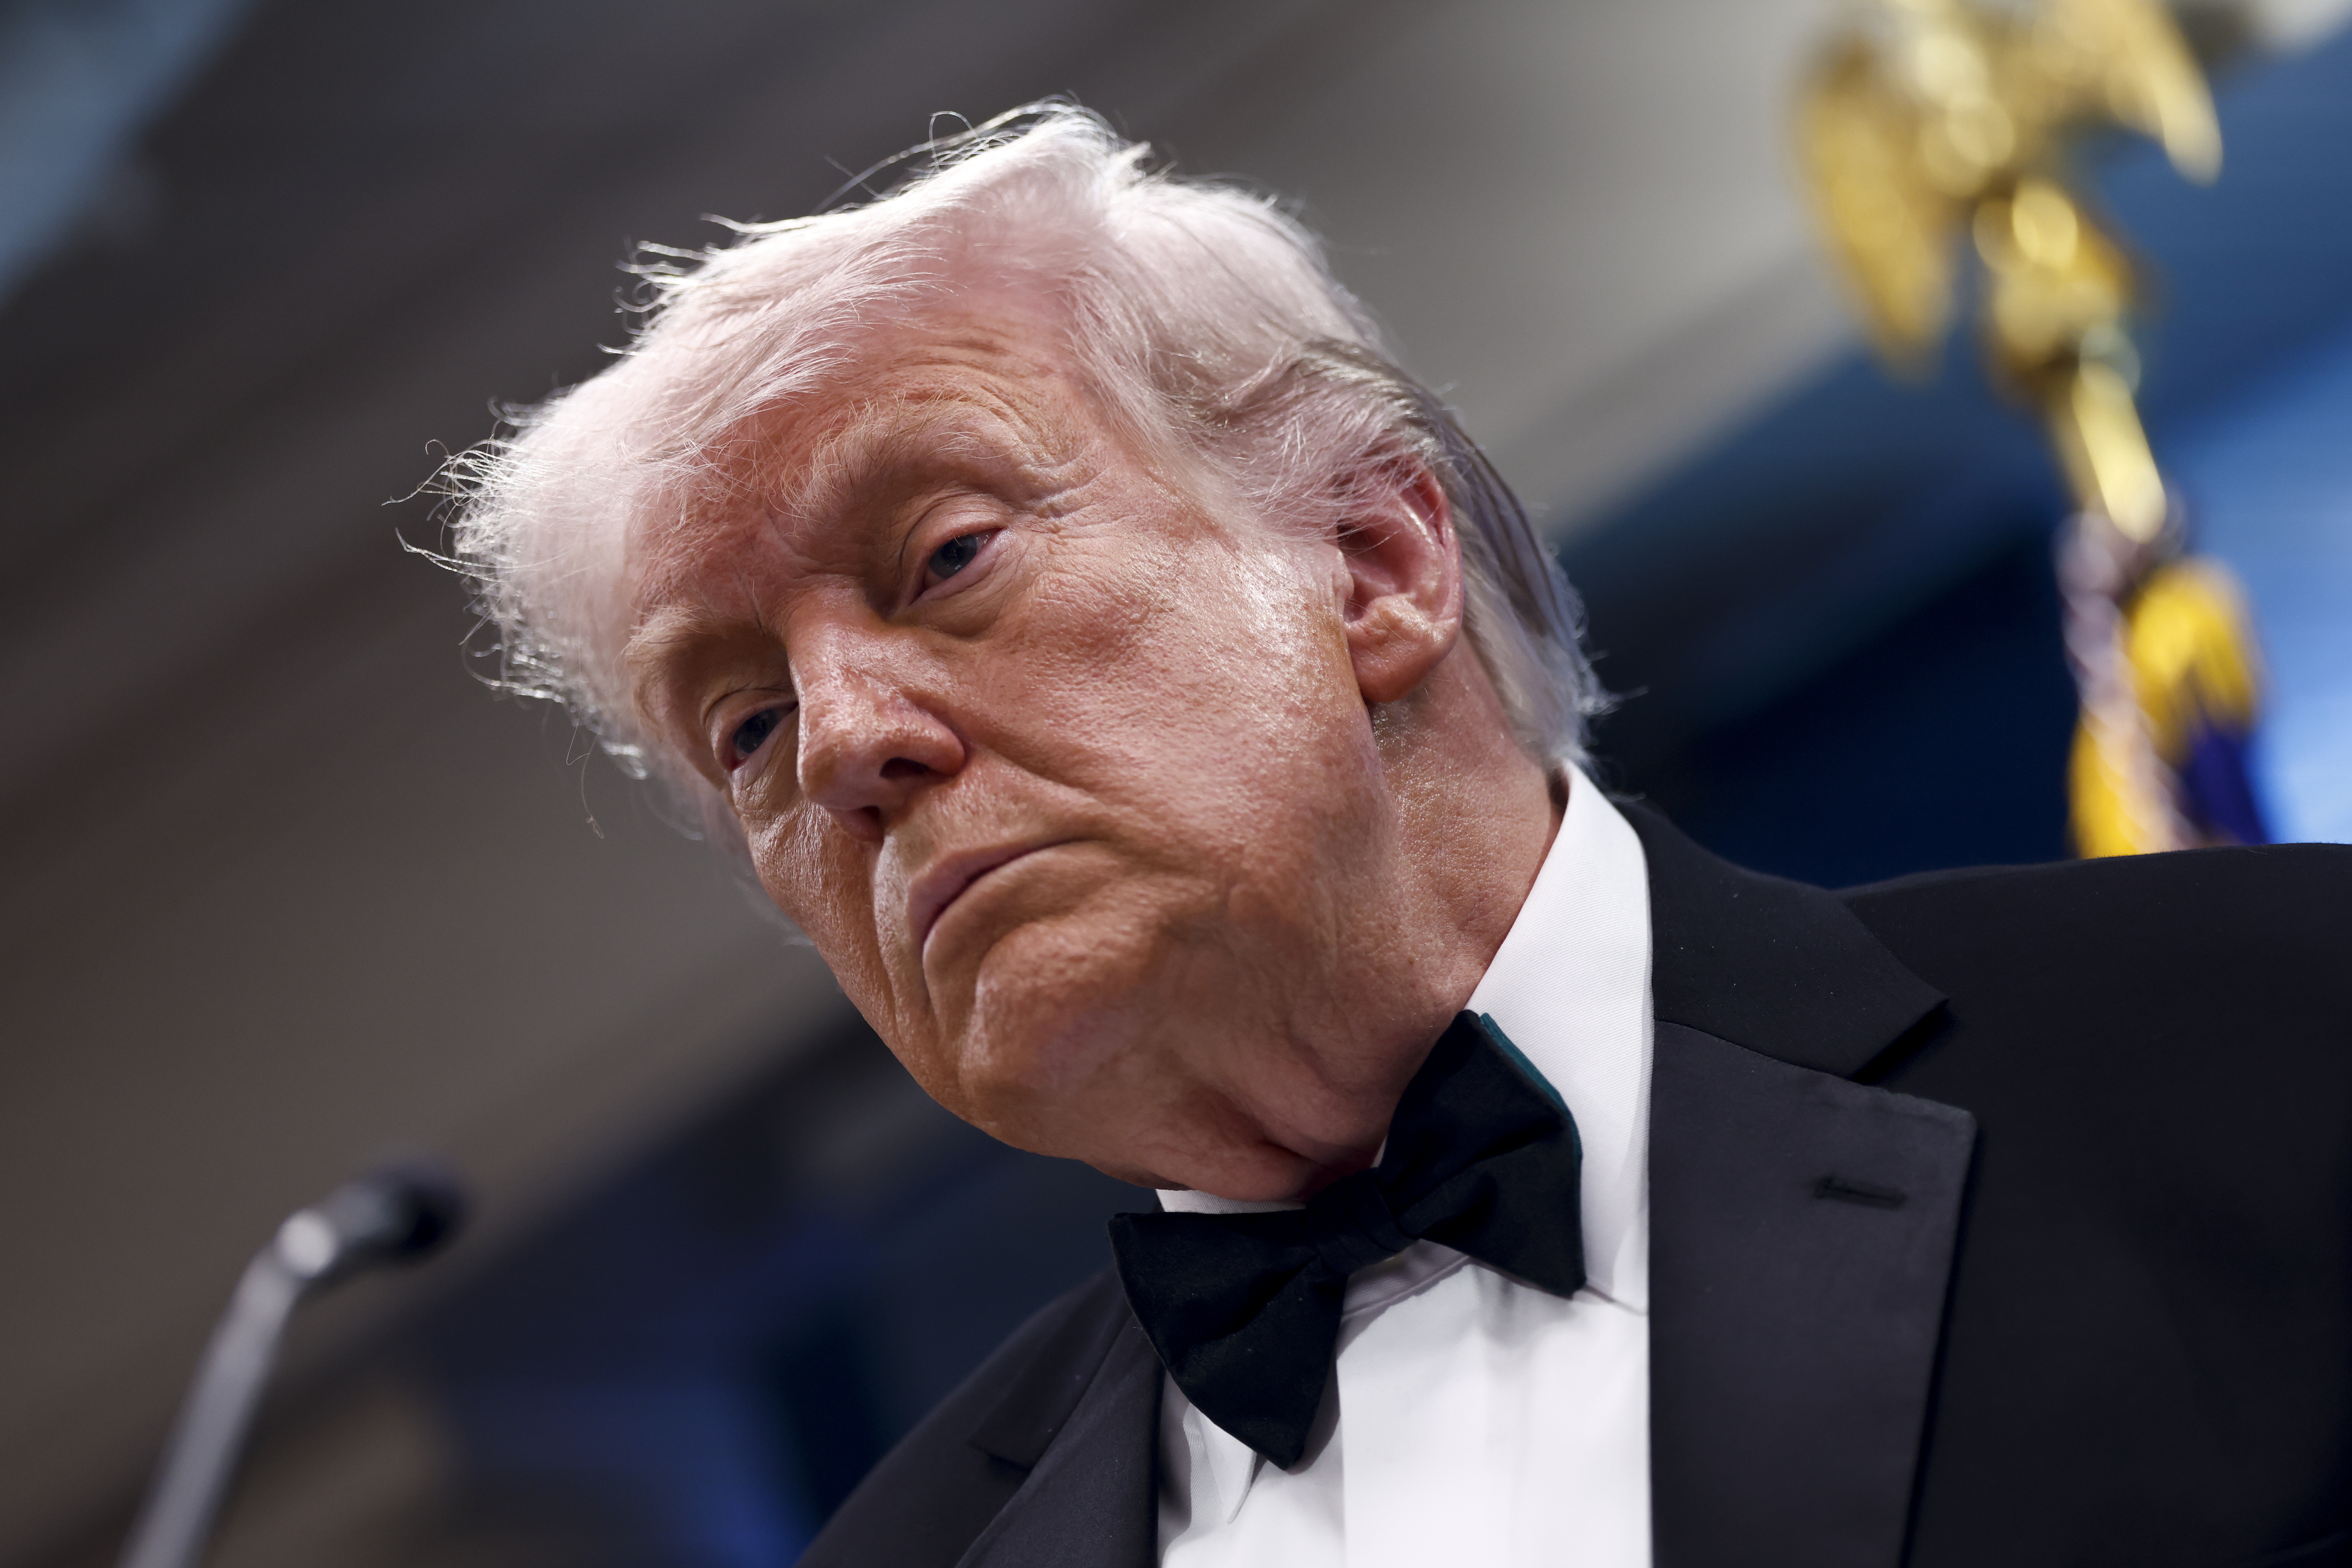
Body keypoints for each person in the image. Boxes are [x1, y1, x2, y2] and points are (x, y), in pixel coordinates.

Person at [444, 105, 2352, 1567]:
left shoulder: (2276, 1035)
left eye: (945, 559)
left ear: (1373, 566)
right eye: (749, 726)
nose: (848, 742)